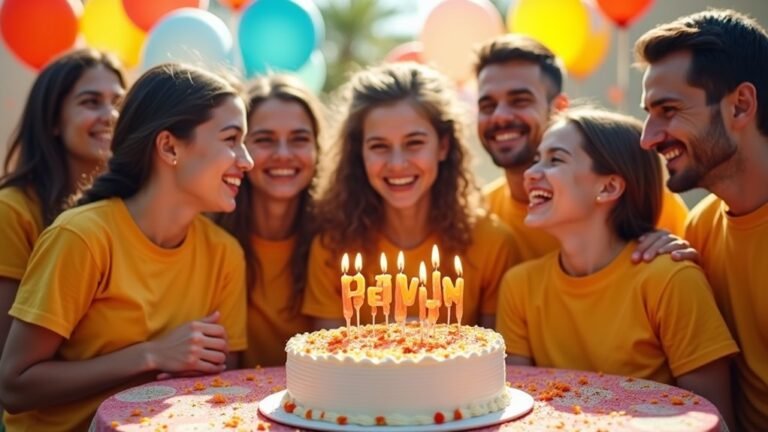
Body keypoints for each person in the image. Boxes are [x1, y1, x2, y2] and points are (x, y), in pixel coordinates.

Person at [0, 63, 252, 432]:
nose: (248, 160)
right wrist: (151, 355)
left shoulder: (225, 253)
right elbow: (13, 385)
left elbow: (218, 390)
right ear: (169, 147)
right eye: (231, 139)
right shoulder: (82, 237)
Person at [496, 107, 739, 429]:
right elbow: (519, 418)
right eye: (537, 159)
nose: (530, 173)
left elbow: (714, 421)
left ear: (608, 188)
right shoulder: (519, 286)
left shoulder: (671, 279)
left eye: (555, 159)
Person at [302, 62, 520, 330]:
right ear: (359, 153)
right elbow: (330, 362)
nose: (397, 163)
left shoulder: (492, 243)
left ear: (443, 146)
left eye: (414, 143)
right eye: (379, 146)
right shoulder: (332, 248)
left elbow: (496, 361)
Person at [635, 9, 768, 431]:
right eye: (648, 113)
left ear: (741, 105)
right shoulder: (701, 228)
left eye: (668, 110)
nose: (648, 137)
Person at [474, 35, 691, 263]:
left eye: (519, 101)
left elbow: (687, 267)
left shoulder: (633, 196)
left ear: (559, 108)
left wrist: (672, 247)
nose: (500, 116)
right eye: (487, 106)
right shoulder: (478, 218)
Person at [0, 49, 126, 369]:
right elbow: (9, 359)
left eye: (118, 103)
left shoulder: (131, 207)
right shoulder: (11, 211)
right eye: (90, 102)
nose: (110, 115)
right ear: (53, 120)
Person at [215, 75, 321, 367]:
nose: (283, 155)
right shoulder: (211, 237)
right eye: (265, 140)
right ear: (240, 150)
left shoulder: (335, 239)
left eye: (299, 139)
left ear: (317, 149)